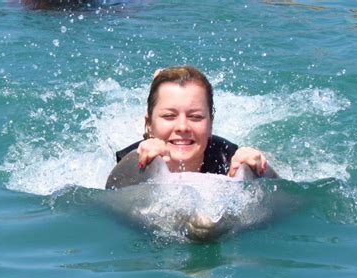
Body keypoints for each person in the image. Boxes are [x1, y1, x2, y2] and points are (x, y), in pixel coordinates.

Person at [107, 66, 277, 189]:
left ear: (211, 124)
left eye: (195, 117)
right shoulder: (131, 163)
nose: (182, 127)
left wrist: (259, 168)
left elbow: (279, 194)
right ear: (149, 124)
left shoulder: (228, 159)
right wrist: (142, 166)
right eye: (169, 116)